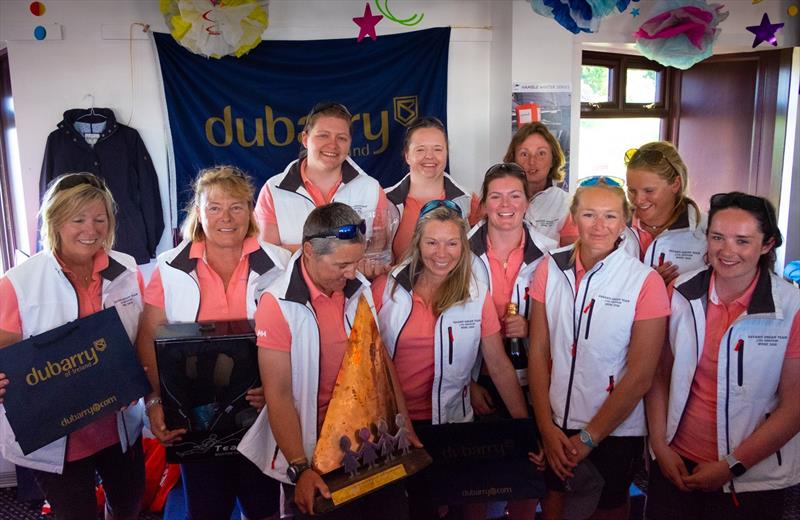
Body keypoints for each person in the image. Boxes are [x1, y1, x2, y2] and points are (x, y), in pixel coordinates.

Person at [239, 202, 418, 519]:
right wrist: (300, 468)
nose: (352, 273)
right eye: (341, 265)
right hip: (313, 449)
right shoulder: (277, 304)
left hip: (369, 441)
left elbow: (380, 360)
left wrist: (403, 423)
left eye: (356, 262)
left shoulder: (357, 288)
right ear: (308, 251)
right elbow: (278, 394)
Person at [135, 166, 288, 520]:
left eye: (236, 207)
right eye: (215, 207)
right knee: (207, 511)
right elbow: (148, 340)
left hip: (262, 417)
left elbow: (298, 338)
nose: (226, 217)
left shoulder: (279, 264)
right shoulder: (169, 268)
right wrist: (155, 400)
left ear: (250, 210)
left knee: (265, 509)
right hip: (194, 421)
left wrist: (276, 389)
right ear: (199, 213)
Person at [645, 192, 800, 520]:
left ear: (767, 245)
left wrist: (731, 466)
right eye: (718, 237)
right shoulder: (681, 293)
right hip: (675, 463)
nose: (727, 251)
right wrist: (660, 446)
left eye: (743, 241)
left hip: (751, 479)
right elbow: (658, 374)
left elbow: (794, 406)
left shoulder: (790, 308)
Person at [0, 173, 146, 520]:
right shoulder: (18, 283)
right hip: (57, 437)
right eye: (77, 219)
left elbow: (138, 336)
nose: (90, 230)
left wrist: (140, 381)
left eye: (100, 219)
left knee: (128, 505)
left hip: (118, 422)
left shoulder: (125, 268)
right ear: (55, 221)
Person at [372, 201, 529, 519]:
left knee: (452, 508)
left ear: (463, 246)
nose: (441, 253)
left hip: (453, 424)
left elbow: (498, 365)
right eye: (432, 242)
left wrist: (524, 429)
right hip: (397, 426)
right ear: (417, 243)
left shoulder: (475, 292)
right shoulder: (386, 291)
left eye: (451, 243)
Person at [528, 177, 670, 520]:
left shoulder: (644, 281)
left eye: (610, 216)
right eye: (589, 214)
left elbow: (640, 375)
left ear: (625, 220)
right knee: (555, 508)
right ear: (574, 217)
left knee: (606, 510)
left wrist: (589, 438)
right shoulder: (550, 266)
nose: (599, 226)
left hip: (615, 428)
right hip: (557, 422)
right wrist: (546, 428)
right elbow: (537, 350)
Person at [467, 163, 556, 518]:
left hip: (532, 380)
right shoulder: (459, 251)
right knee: (474, 483)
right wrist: (468, 384)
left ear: (527, 202)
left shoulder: (552, 253)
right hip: (480, 383)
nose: (506, 204)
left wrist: (532, 328)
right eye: (496, 196)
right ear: (484, 202)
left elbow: (563, 322)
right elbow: (443, 325)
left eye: (515, 195)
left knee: (528, 473)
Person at [254, 102, 392, 277]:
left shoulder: (371, 189)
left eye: (341, 138)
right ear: (305, 139)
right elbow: (270, 255)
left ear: (350, 143)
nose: (332, 145)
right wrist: (341, 254)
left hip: (354, 293)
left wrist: (300, 250)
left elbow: (377, 253)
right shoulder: (273, 191)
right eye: (323, 136)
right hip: (293, 297)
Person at [384, 117, 472, 260]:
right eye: (420, 149)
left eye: (437, 149)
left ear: (446, 153)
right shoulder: (384, 201)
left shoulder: (469, 202)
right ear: (407, 156)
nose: (430, 156)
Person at [623, 141, 706, 285]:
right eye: (632, 190)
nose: (638, 200)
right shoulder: (615, 226)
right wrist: (648, 286)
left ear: (675, 184)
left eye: (649, 191)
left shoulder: (706, 230)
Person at [502, 122, 577, 245]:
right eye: (524, 154)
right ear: (513, 159)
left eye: (541, 153)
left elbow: (568, 257)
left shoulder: (566, 204)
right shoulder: (497, 198)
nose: (532, 161)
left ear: (553, 159)